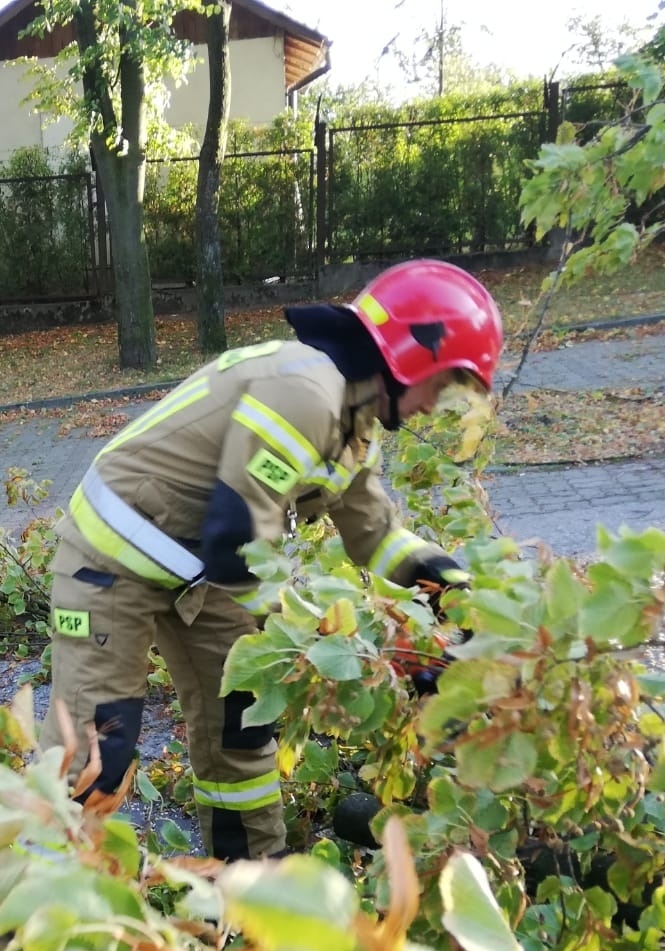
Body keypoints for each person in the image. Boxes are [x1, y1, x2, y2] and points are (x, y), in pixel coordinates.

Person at [37, 259, 503, 862]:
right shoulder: (306, 391)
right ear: (414, 354)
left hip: (203, 573)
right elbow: (240, 539)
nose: (435, 406)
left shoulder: (352, 424)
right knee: (99, 748)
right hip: (111, 567)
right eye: (443, 386)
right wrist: (349, 649)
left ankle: (252, 888)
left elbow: (377, 537)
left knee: (243, 731)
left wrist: (455, 596)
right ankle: (31, 929)